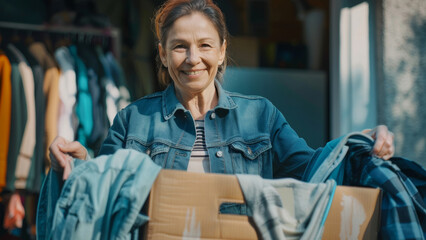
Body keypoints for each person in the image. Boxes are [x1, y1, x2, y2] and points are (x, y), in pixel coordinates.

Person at [49, 0, 395, 181]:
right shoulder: (132, 120)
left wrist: (359, 144)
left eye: (204, 45)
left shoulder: (261, 115)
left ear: (222, 50)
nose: (193, 59)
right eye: (180, 46)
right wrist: (80, 163)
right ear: (162, 54)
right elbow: (103, 188)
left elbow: (312, 170)